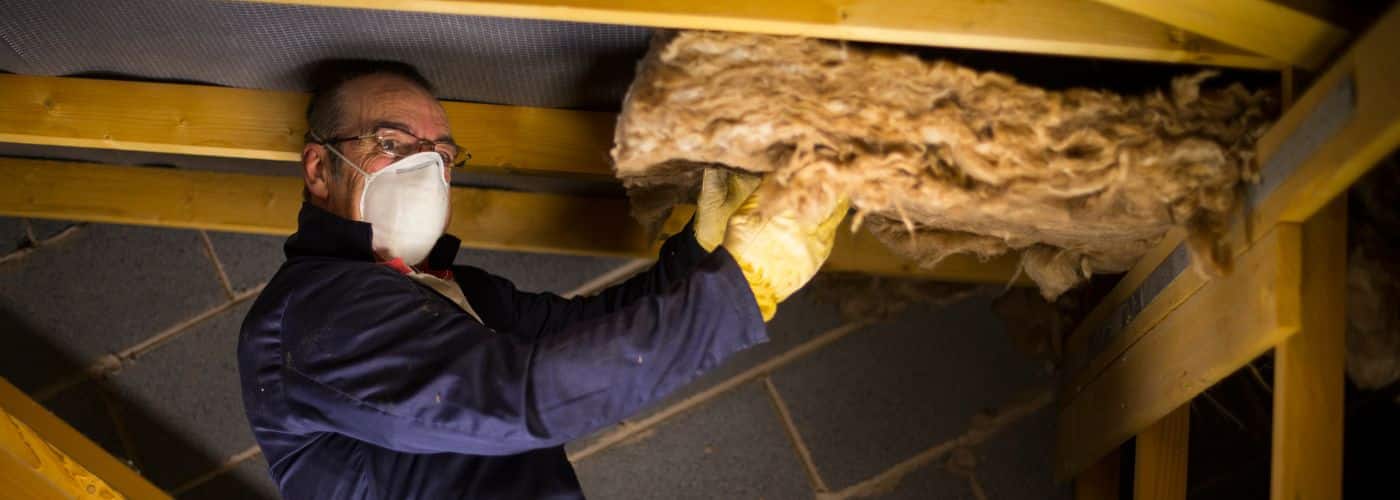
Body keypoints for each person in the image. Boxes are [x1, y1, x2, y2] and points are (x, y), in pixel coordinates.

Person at [238, 60, 846, 499]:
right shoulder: (311, 313)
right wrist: (740, 288)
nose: (427, 169)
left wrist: (703, 251)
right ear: (320, 169)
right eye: (393, 143)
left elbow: (584, 335)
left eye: (443, 155)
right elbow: (517, 396)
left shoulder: (452, 290)